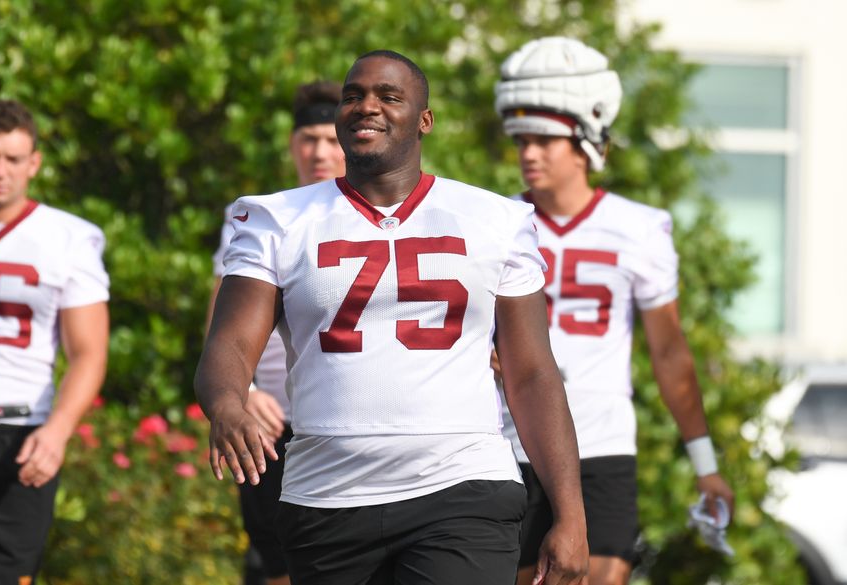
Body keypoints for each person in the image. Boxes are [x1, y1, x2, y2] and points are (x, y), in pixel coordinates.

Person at [196, 50, 589, 584]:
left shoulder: (496, 219)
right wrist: (226, 402)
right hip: (326, 493)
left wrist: (571, 513)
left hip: (462, 485)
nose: (366, 107)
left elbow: (533, 372)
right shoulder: (277, 218)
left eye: (388, 96)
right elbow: (230, 342)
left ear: (424, 120)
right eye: (353, 95)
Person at [493, 37, 735, 585]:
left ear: (585, 140)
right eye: (521, 140)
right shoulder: (495, 221)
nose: (528, 153)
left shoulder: (640, 228)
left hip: (602, 445)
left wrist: (705, 463)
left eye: (544, 140)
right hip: (511, 442)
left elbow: (669, 352)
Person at [206, 80, 345, 585]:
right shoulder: (264, 214)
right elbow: (221, 320)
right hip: (268, 420)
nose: (320, 151)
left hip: (340, 416)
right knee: (278, 563)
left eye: (332, 139)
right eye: (309, 139)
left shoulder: (377, 216)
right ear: (292, 145)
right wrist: (242, 392)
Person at [0, 99, 110, 584]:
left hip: (16, 433)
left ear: (34, 163)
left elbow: (88, 354)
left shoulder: (68, 237)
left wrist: (58, 430)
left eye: (12, 159)